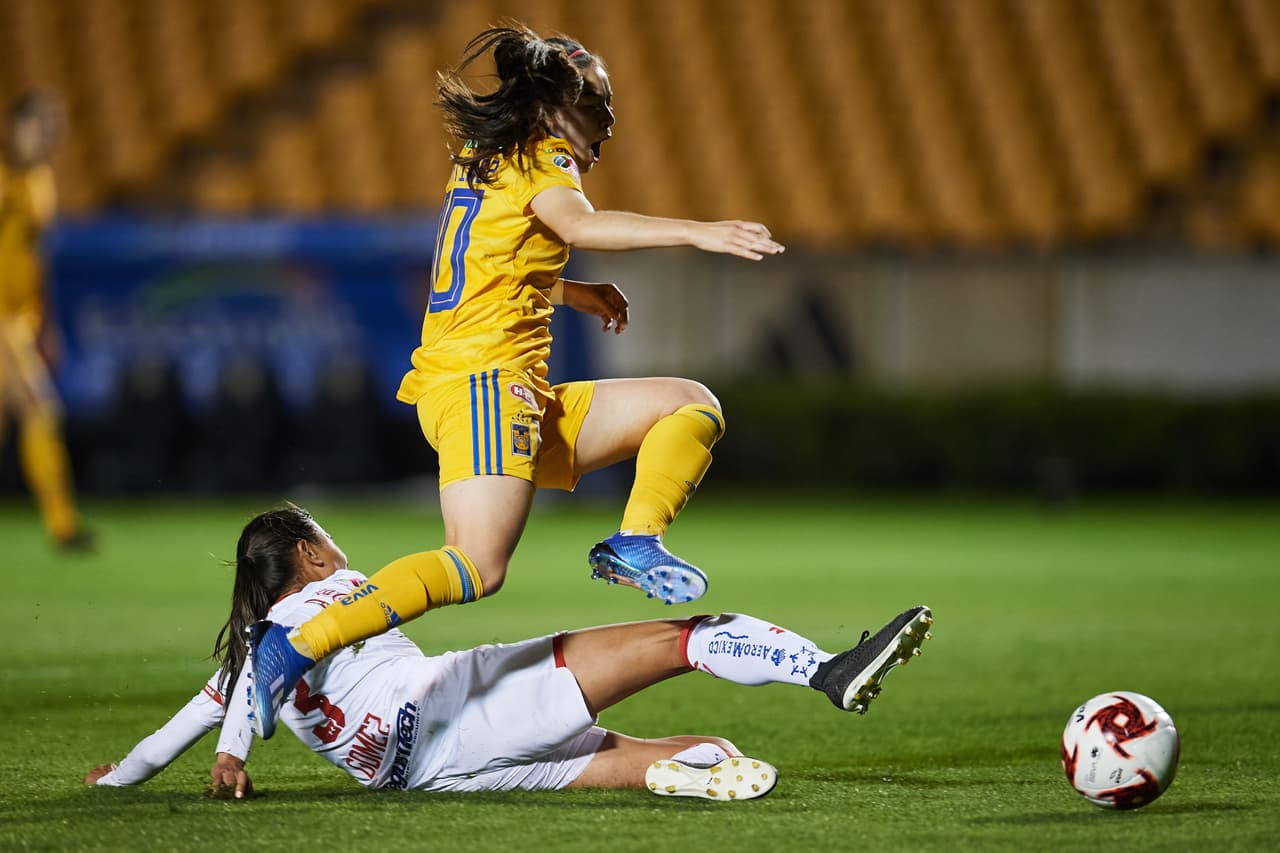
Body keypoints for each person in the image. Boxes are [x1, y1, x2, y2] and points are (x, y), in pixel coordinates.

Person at [247, 25, 785, 737]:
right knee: (474, 565)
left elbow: (487, 260)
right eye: (599, 98)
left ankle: (634, 539)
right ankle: (297, 643)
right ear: (553, 103)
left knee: (688, 406)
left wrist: (568, 289)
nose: (612, 117)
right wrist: (697, 230)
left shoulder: (484, 157)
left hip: (501, 389)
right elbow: (575, 220)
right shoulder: (543, 156)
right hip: (483, 387)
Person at [84, 505, 932, 800]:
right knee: (689, 638)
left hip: (423, 775)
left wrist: (124, 775)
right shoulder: (326, 596)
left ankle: (688, 771)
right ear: (307, 553)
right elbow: (281, 654)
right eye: (325, 538)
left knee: (690, 757)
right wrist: (235, 748)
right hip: (453, 702)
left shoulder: (242, 659)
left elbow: (177, 731)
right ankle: (827, 669)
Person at [0, 91, 92, 550]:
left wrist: (46, 322)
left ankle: (63, 525)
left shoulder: (40, 182)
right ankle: (63, 526)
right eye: (38, 124)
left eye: (52, 126)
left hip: (18, 319)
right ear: (14, 125)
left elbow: (36, 258)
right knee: (40, 408)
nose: (47, 134)